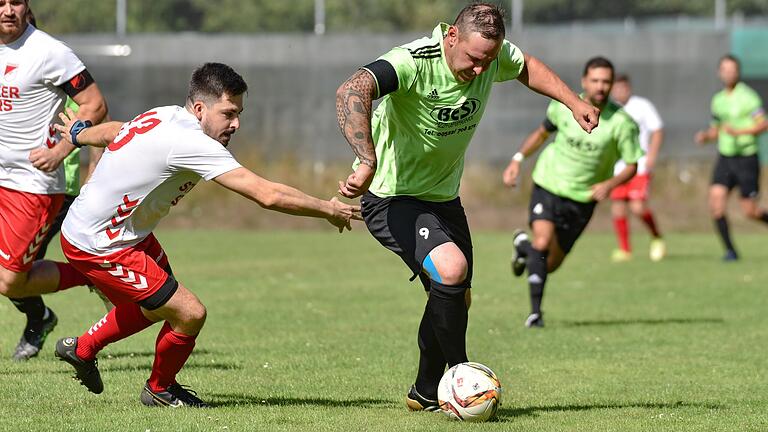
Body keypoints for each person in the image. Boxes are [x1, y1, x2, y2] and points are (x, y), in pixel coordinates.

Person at [336, 3, 599, 411]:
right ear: (451, 36)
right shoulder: (414, 60)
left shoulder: (493, 56)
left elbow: (527, 65)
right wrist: (366, 159)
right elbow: (353, 89)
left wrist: (571, 101)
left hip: (442, 197)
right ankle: (461, 379)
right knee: (452, 269)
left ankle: (425, 391)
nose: (481, 70)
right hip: (391, 196)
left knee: (456, 296)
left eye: (489, 61)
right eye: (474, 59)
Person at [52, 62, 360, 408]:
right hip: (100, 243)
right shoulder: (191, 142)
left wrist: (79, 134)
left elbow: (116, 132)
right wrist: (328, 209)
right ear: (200, 109)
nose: (236, 123)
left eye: (239, 113)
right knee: (189, 312)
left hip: (120, 233)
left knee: (159, 304)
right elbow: (266, 194)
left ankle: (82, 350)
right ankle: (159, 390)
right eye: (228, 113)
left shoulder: (165, 115)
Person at [0, 0, 109, 361]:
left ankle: (88, 274)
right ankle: (39, 318)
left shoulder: (49, 52)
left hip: (31, 185)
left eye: (16, 1)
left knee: (11, 282)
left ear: (27, 6)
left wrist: (62, 149)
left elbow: (94, 104)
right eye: (0, 2)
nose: (8, 9)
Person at [503, 56, 643, 328]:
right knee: (542, 243)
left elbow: (632, 165)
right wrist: (517, 159)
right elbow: (542, 134)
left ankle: (523, 247)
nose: (601, 86)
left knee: (550, 263)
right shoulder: (564, 105)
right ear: (584, 81)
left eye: (606, 81)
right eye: (595, 80)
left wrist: (609, 184)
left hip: (582, 199)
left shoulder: (622, 123)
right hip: (549, 183)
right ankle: (535, 314)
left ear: (612, 84)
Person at [694, 54, 768, 261]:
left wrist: (740, 133)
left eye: (733, 69)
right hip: (725, 158)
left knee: (750, 211)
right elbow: (716, 129)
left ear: (738, 72)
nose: (729, 73)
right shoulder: (717, 100)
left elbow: (763, 124)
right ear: (720, 73)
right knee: (716, 203)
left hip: (747, 158)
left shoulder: (748, 97)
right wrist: (706, 136)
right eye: (725, 69)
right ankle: (730, 251)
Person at [608, 74, 665, 262]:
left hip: (639, 166)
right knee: (618, 209)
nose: (619, 92)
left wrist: (652, 157)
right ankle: (625, 249)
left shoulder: (642, 106)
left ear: (629, 88)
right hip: (617, 169)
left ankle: (656, 237)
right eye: (615, 88)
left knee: (638, 207)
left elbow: (657, 130)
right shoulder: (609, 109)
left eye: (622, 88)